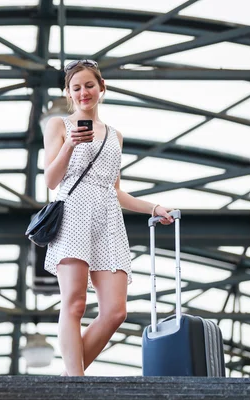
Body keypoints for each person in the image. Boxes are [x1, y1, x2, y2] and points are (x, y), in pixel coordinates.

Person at [42, 59, 175, 376]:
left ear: (102, 88)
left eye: (89, 85)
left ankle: (66, 380)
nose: (83, 92)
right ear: (68, 93)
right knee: (74, 304)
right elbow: (50, 180)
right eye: (76, 88)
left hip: (108, 220)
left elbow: (115, 190)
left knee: (115, 311)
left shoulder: (115, 136)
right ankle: (76, 382)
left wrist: (153, 207)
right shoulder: (58, 126)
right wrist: (70, 146)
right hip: (73, 213)